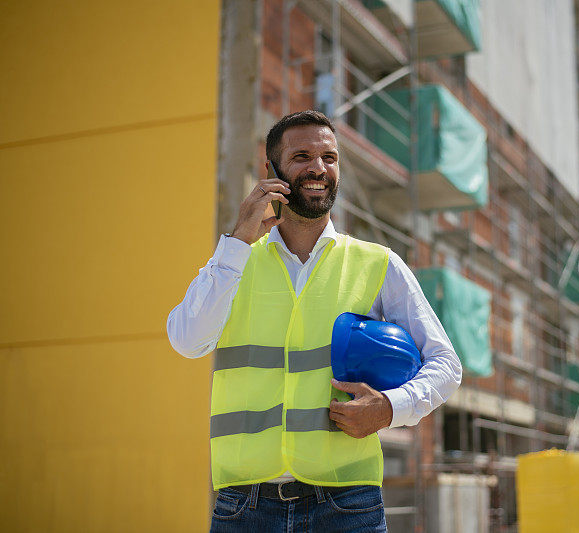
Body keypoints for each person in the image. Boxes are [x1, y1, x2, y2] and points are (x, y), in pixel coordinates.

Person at [167, 110, 462, 532]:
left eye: (330, 157)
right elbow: (186, 339)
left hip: (347, 504)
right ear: (272, 171)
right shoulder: (234, 262)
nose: (318, 168)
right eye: (302, 156)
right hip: (245, 506)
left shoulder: (376, 263)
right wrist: (234, 244)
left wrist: (390, 409)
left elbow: (446, 365)